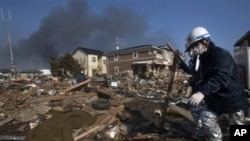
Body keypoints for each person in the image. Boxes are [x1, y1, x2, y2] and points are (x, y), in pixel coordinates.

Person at [185, 26, 248, 141]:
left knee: (239, 129)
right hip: (216, 98)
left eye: (196, 45)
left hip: (232, 98)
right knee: (207, 119)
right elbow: (200, 78)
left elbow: (221, 78)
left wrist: (202, 93)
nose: (194, 49)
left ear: (206, 41)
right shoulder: (201, 59)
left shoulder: (221, 55)